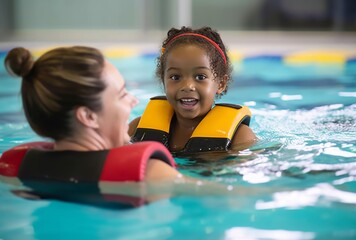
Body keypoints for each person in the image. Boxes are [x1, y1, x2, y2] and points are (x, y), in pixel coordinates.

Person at [1, 46, 262, 207]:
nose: (134, 100)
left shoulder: (13, 166)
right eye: (122, 93)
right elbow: (236, 197)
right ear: (88, 117)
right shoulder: (148, 173)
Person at [129, 26, 257, 157]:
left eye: (200, 77)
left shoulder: (240, 137)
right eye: (175, 77)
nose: (188, 86)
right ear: (163, 81)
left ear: (221, 83)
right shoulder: (138, 128)